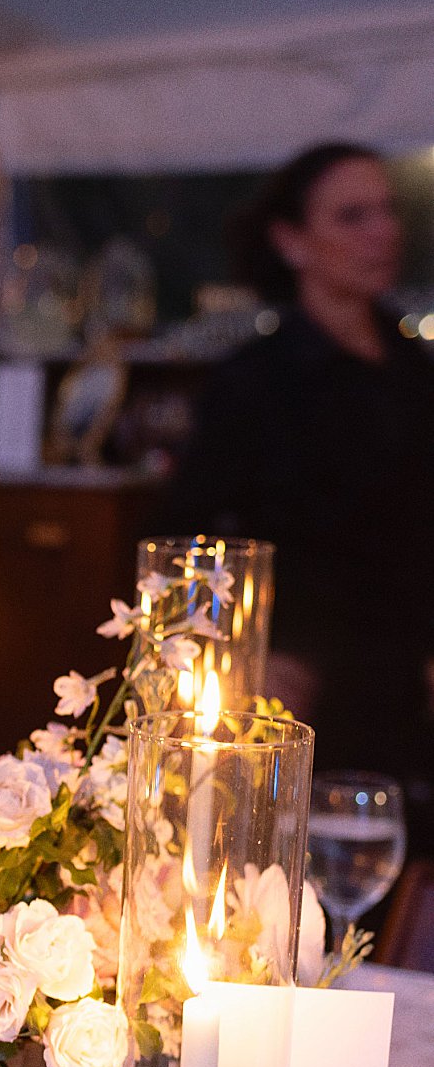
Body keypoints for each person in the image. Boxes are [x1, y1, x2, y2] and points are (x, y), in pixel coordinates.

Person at [168, 143, 434, 842]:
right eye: (352, 215)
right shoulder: (255, 382)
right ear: (290, 240)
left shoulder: (414, 369)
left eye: (385, 211)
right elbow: (180, 537)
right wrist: (242, 654)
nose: (381, 231)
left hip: (406, 685)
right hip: (302, 694)